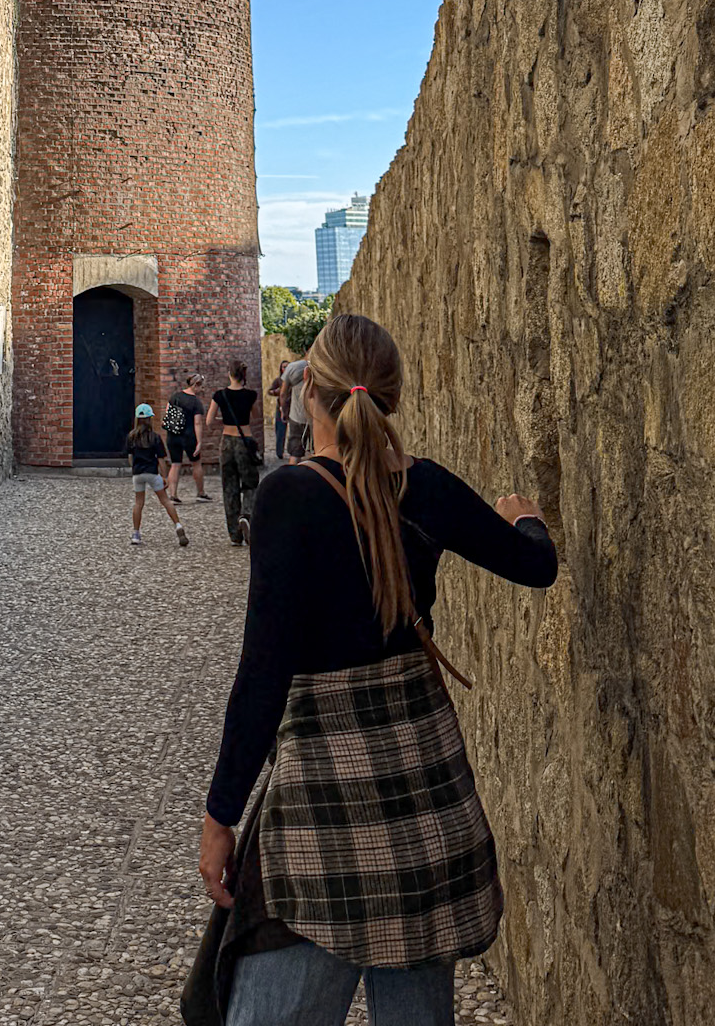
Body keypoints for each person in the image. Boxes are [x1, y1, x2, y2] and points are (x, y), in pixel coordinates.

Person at [193, 312, 558, 1026]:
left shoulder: (289, 498)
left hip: (322, 820)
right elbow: (535, 566)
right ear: (389, 397)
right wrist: (525, 519)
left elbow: (262, 674)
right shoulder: (430, 490)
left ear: (311, 394)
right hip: (426, 813)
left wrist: (220, 817)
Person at [205, 361, 260, 546]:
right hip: (245, 441)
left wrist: (225, 419)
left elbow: (209, 421)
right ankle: (246, 515)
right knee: (251, 482)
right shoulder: (251, 395)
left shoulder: (220, 395)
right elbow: (256, 416)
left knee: (229, 486)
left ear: (229, 374)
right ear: (243, 374)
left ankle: (234, 534)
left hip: (227, 441)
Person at [126, 402, 189, 548]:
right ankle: (178, 525)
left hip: (138, 473)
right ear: (150, 419)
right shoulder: (155, 437)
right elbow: (161, 459)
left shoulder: (131, 437)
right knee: (165, 501)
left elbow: (130, 457)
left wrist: (134, 468)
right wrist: (164, 476)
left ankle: (136, 533)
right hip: (152, 473)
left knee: (138, 503)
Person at [164, 372, 210, 502]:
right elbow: (197, 423)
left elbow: (168, 413)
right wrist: (199, 441)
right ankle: (200, 493)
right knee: (196, 464)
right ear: (196, 385)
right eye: (201, 387)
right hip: (189, 436)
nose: (202, 390)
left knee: (175, 464)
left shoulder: (175, 396)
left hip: (173, 436)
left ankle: (173, 495)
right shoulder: (196, 402)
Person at [281, 350, 310, 463]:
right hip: (316, 418)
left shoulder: (292, 367)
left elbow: (283, 393)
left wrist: (284, 411)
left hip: (296, 416)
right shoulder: (323, 367)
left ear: (305, 351)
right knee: (316, 452)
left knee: (295, 452)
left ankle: (292, 479)